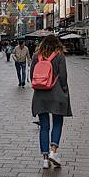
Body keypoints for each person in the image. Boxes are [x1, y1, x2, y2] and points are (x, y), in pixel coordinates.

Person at [30, 35, 72, 169]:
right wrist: (64, 89)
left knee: (44, 126)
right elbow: (63, 76)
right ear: (57, 44)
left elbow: (32, 75)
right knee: (58, 122)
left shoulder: (37, 56)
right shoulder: (59, 56)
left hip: (40, 95)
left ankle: (45, 159)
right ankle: (53, 152)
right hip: (57, 94)